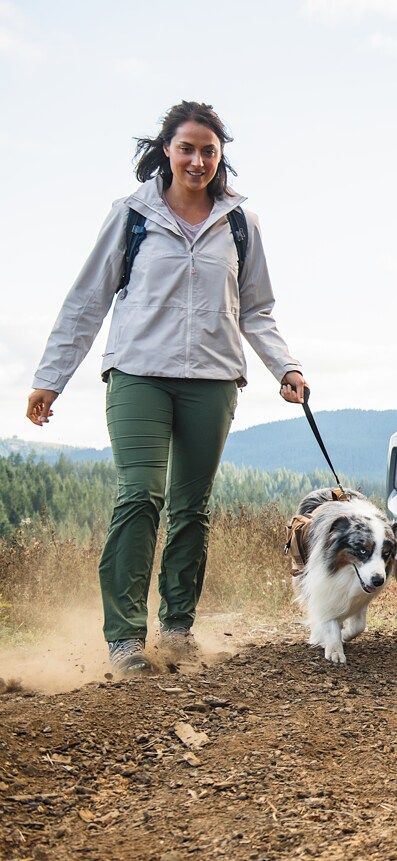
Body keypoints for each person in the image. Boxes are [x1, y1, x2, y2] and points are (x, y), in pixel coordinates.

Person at [25, 101, 307, 677]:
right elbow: (87, 301)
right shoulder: (131, 215)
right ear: (166, 151)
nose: (198, 160)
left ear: (220, 154)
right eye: (187, 148)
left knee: (192, 509)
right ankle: (126, 640)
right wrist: (49, 380)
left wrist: (286, 368)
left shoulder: (239, 223)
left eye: (209, 150)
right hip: (137, 375)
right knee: (140, 496)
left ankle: (176, 629)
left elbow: (256, 310)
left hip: (212, 379)